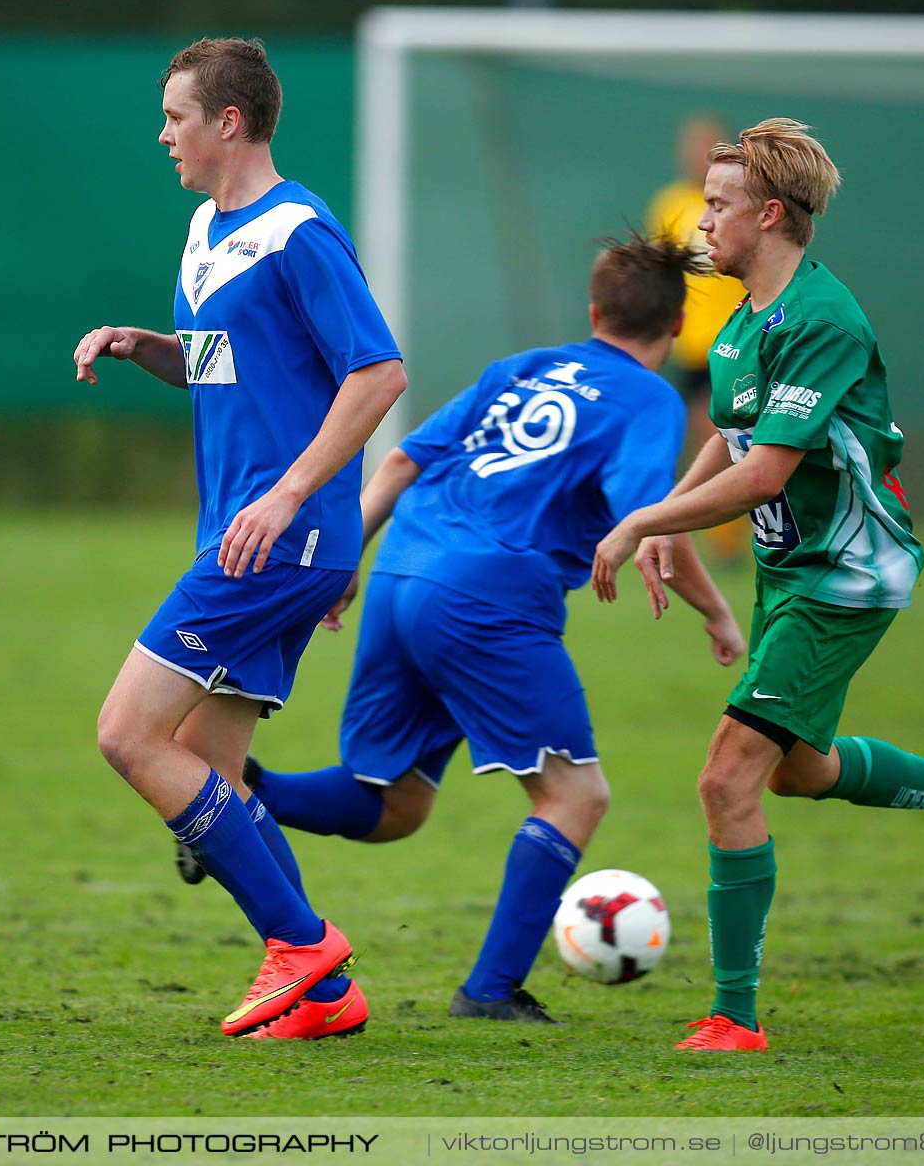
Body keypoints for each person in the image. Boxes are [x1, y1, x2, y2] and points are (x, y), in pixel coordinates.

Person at [591, 119, 924, 1052]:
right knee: (795, 772)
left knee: (726, 776)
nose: (702, 220)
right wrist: (674, 510)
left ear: (772, 214)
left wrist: (640, 523)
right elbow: (732, 431)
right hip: (790, 568)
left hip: (846, 573)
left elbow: (764, 474)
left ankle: (734, 1015)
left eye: (719, 205)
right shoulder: (747, 317)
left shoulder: (824, 320)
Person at [231, 232, 744, 1029]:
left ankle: (238, 798)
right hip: (489, 596)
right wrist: (717, 613)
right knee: (576, 795)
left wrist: (345, 562)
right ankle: (491, 990)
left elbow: (401, 460)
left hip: (404, 566)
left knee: (395, 801)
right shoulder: (648, 400)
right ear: (676, 327)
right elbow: (652, 521)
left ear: (592, 310)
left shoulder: (523, 367)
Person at [71, 38, 406, 1040]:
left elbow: (378, 374)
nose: (162, 133)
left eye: (176, 115)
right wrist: (148, 350)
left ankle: (301, 942)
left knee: (126, 735)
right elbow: (229, 367)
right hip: (254, 533)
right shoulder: (205, 230)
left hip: (276, 537)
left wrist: (292, 493)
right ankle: (328, 996)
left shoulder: (298, 230)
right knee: (203, 767)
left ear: (228, 122)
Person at [647, 114, 748, 566]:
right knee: (709, 442)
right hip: (692, 345)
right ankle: (723, 538)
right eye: (692, 147)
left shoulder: (743, 200)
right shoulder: (669, 204)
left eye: (708, 147)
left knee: (741, 441)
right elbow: (662, 272)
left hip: (737, 339)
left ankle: (741, 535)